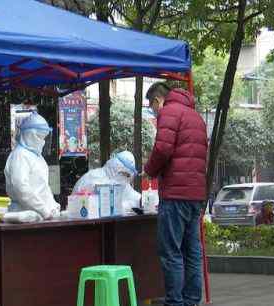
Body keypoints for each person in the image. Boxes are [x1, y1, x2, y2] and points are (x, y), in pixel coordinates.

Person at [143, 83, 208, 306]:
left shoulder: (169, 111)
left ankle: (175, 302)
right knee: (192, 252)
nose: (154, 112)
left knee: (171, 252)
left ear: (157, 100)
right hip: (195, 194)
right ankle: (191, 301)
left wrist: (149, 170)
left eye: (152, 107)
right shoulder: (195, 116)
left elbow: (162, 149)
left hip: (175, 194)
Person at [4, 112, 60, 221]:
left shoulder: (38, 158)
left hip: (42, 216)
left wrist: (53, 206)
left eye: (44, 137)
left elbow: (43, 187)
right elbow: (21, 189)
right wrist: (44, 210)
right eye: (39, 136)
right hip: (24, 216)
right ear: (29, 134)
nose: (42, 141)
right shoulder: (19, 155)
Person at [72, 150, 141, 212]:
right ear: (116, 167)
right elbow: (77, 203)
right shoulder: (93, 177)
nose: (125, 177)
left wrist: (122, 206)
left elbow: (136, 199)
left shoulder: (123, 182)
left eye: (127, 175)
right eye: (124, 173)